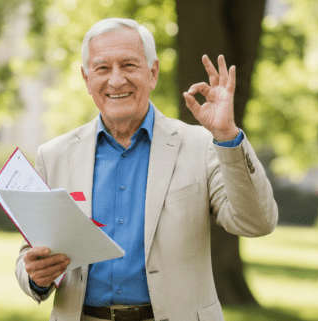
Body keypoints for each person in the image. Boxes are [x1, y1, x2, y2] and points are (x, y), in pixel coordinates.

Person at [14, 18, 277, 321]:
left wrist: (228, 137)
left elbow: (257, 222)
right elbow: (29, 255)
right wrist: (35, 276)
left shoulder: (203, 146)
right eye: (102, 68)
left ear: (153, 73)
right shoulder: (54, 155)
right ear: (87, 79)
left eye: (128, 65)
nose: (116, 80)